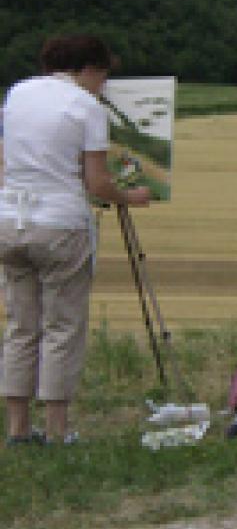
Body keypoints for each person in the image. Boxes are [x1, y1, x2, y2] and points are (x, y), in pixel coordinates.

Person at [1, 35, 151, 445]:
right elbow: (98, 182)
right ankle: (56, 429)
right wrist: (130, 197)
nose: (103, 85)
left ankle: (17, 428)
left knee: (20, 325)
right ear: (89, 68)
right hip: (60, 224)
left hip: (10, 218)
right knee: (62, 327)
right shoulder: (87, 107)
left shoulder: (18, 93)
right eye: (103, 75)